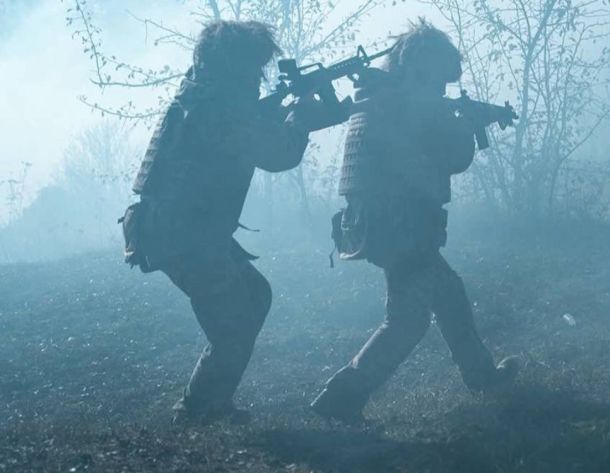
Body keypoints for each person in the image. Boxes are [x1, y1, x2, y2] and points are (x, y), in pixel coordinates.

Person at [120, 20, 343, 425]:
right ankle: (196, 410)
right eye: (252, 69)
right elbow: (278, 155)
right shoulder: (216, 109)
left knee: (253, 296)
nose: (257, 79)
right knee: (236, 321)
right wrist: (300, 118)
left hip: (188, 230)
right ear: (235, 68)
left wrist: (287, 114)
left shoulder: (203, 98)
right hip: (183, 234)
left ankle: (209, 402)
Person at [311, 20, 519, 424]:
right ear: (421, 70)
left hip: (381, 223)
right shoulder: (406, 105)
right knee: (408, 321)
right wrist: (467, 126)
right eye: (438, 81)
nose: (441, 90)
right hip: (399, 224)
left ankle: (481, 376)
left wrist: (457, 119)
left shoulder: (381, 96)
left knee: (449, 294)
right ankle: (342, 397)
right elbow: (454, 158)